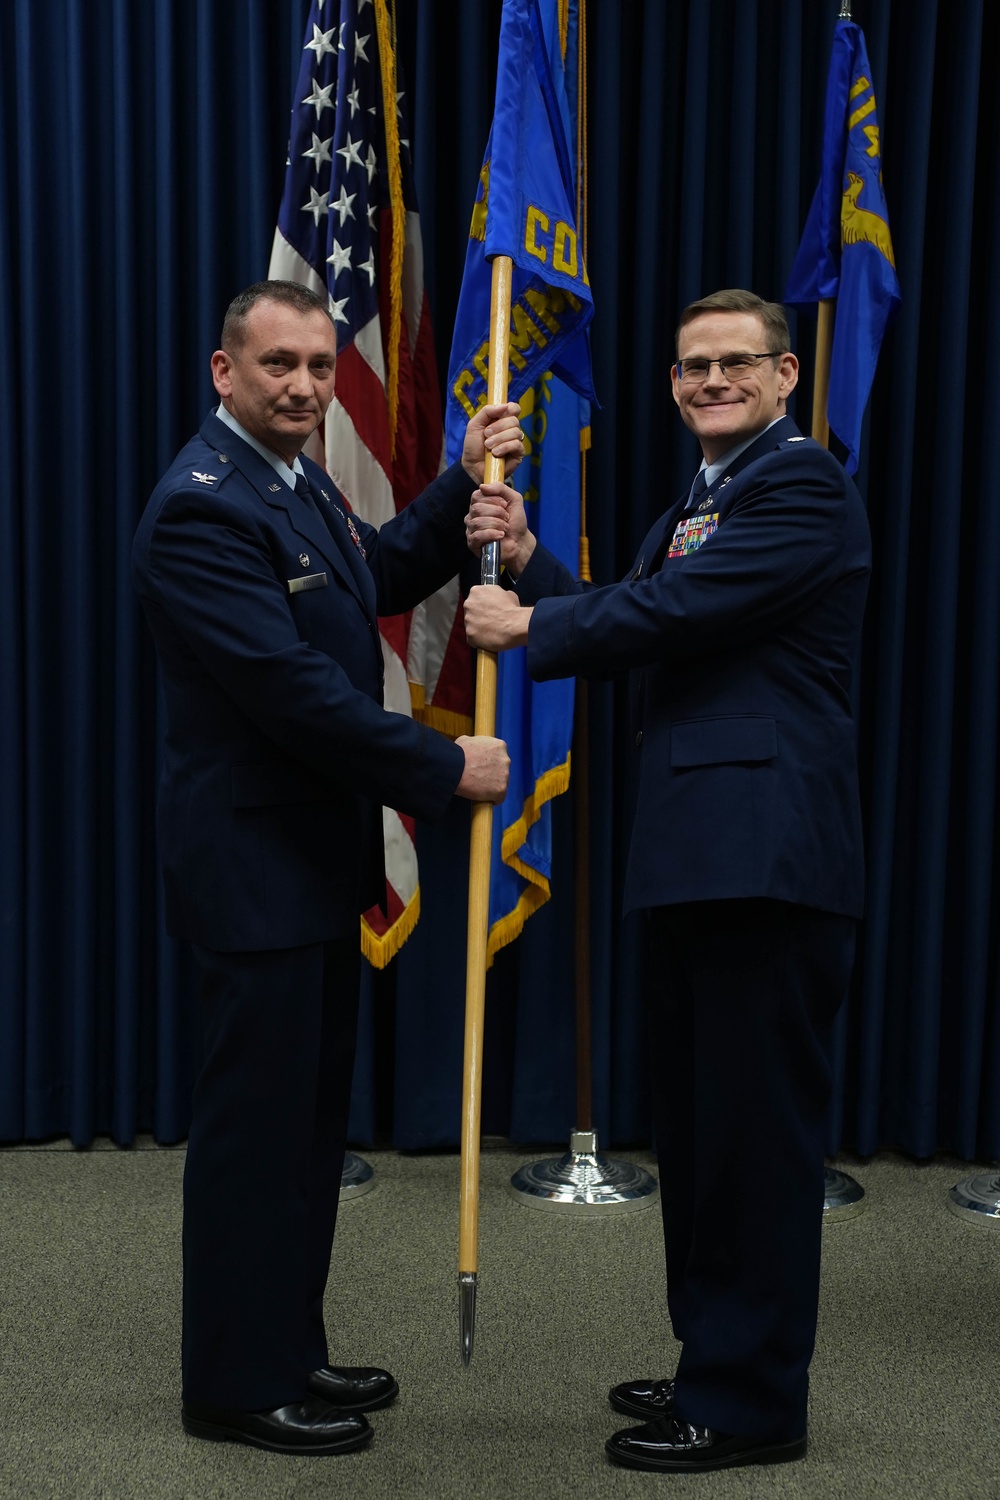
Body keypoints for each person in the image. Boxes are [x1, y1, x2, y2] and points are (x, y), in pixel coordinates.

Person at [463, 289, 871, 1474]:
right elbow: (657, 609)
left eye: (733, 363)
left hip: (766, 858)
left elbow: (681, 609)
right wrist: (534, 564)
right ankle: (714, 1359)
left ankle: (748, 1402)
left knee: (750, 1137)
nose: (707, 381)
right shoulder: (708, 494)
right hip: (702, 853)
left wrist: (529, 623)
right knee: (700, 1131)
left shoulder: (799, 485)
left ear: (786, 375)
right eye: (691, 366)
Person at [132, 280, 522, 1456]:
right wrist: (439, 763)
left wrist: (460, 482)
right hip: (253, 870)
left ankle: (285, 1347)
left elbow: (380, 579)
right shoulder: (202, 509)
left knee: (305, 1138)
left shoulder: (292, 485)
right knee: (257, 1141)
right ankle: (236, 1386)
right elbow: (289, 694)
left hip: (309, 864)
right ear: (224, 372)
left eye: (315, 365)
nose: (304, 386)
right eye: (279, 367)